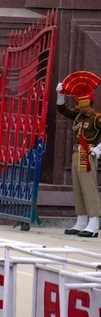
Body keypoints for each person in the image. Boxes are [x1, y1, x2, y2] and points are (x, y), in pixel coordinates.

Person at [57, 72, 101, 238]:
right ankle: (81, 221)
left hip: (87, 154)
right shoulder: (79, 117)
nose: (76, 106)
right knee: (78, 189)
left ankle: (94, 223)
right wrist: (60, 94)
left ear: (86, 102)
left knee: (89, 188)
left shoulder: (96, 118)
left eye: (79, 103)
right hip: (76, 153)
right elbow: (62, 109)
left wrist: (98, 150)